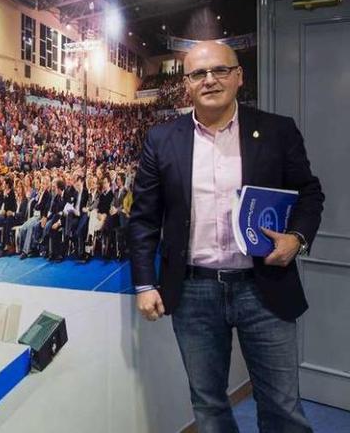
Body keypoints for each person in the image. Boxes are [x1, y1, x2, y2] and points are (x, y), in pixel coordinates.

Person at [129, 41, 324, 432]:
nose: (210, 80)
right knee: (209, 407)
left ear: (239, 76)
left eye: (220, 70)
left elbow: (309, 193)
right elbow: (144, 219)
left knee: (283, 407)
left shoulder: (276, 130)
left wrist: (297, 239)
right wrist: (144, 284)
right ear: (187, 84)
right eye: (198, 73)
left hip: (263, 286)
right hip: (193, 292)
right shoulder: (161, 139)